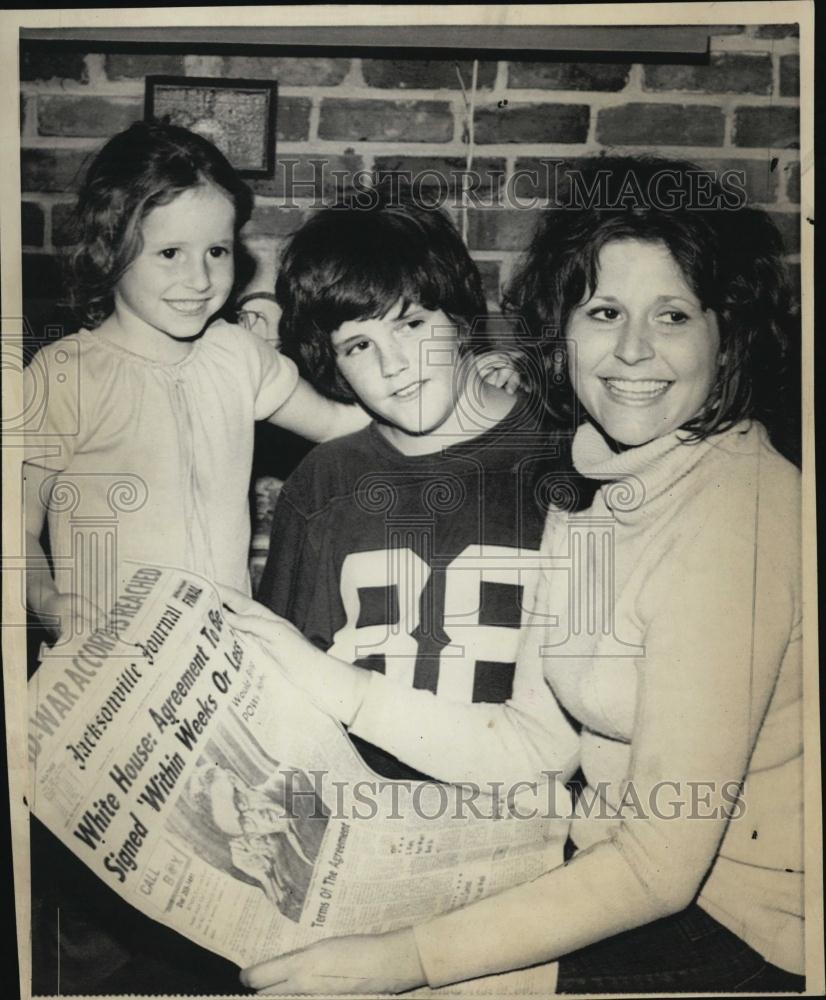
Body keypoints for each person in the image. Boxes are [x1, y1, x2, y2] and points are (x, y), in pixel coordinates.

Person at [228, 157, 804, 994]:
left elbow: (659, 867)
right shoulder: (590, 484)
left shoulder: (737, 514)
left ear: (728, 332)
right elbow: (533, 742)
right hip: (612, 882)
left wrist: (402, 961)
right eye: (605, 311)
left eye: (673, 314)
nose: (634, 350)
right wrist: (329, 685)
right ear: (561, 328)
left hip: (739, 928)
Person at [251, 193, 583, 784]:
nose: (395, 364)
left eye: (410, 323)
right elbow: (282, 687)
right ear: (332, 364)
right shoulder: (324, 482)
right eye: (359, 346)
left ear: (459, 317)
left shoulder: (568, 460)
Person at [23, 120, 371, 643]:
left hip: (224, 655)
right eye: (170, 253)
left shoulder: (235, 354)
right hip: (107, 657)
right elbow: (14, 526)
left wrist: (449, 393)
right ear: (108, 249)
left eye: (217, 251)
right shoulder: (63, 375)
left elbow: (339, 424)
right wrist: (48, 601)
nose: (201, 280)